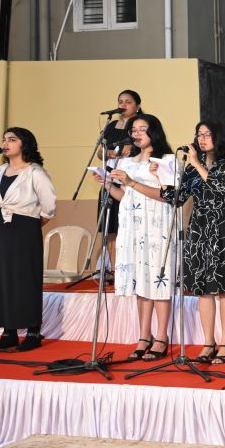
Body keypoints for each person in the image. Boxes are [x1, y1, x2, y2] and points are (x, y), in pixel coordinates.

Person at [166, 120, 225, 366]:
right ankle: (208, 343)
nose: (201, 138)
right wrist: (159, 179)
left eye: (207, 134)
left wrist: (196, 163)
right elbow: (177, 198)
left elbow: (221, 190)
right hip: (200, 229)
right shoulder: (193, 167)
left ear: (220, 136)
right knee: (203, 289)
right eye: (199, 134)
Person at [92, 113, 177, 361]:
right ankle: (144, 335)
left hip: (157, 225)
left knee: (158, 281)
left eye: (142, 129)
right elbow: (124, 197)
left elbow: (167, 197)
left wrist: (130, 182)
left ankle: (161, 336)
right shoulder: (126, 162)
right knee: (141, 281)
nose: (137, 134)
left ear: (154, 131)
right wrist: (107, 184)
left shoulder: (166, 160)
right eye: (134, 130)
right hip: (132, 226)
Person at [0, 127, 56, 351]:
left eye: (11, 140)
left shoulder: (36, 172)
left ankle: (33, 333)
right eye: (4, 140)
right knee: (1, 278)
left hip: (25, 230)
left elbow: (49, 208)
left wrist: (29, 228)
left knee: (25, 280)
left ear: (24, 144)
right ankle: (9, 333)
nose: (5, 144)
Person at [96, 89, 143, 275]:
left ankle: (132, 271)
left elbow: (139, 149)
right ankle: (116, 271)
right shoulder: (111, 125)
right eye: (120, 101)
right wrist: (108, 153)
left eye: (128, 102)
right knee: (110, 228)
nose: (123, 105)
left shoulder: (140, 125)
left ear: (137, 106)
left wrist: (126, 150)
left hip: (129, 179)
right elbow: (100, 152)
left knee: (126, 226)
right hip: (109, 178)